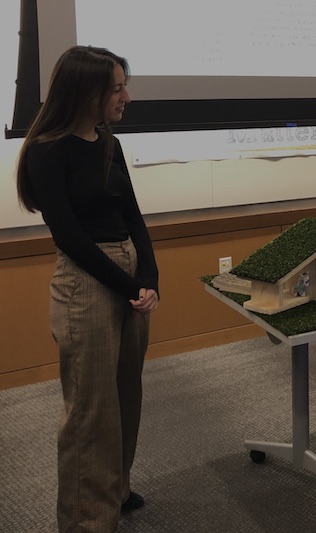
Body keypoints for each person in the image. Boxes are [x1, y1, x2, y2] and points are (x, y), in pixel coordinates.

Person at [16, 46, 159, 532]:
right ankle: (86, 520)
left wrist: (149, 278)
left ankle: (114, 489)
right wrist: (129, 286)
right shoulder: (47, 150)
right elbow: (70, 238)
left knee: (126, 393)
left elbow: (132, 214)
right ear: (85, 92)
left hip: (128, 275)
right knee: (91, 408)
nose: (126, 97)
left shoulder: (107, 143)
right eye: (116, 88)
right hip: (87, 280)